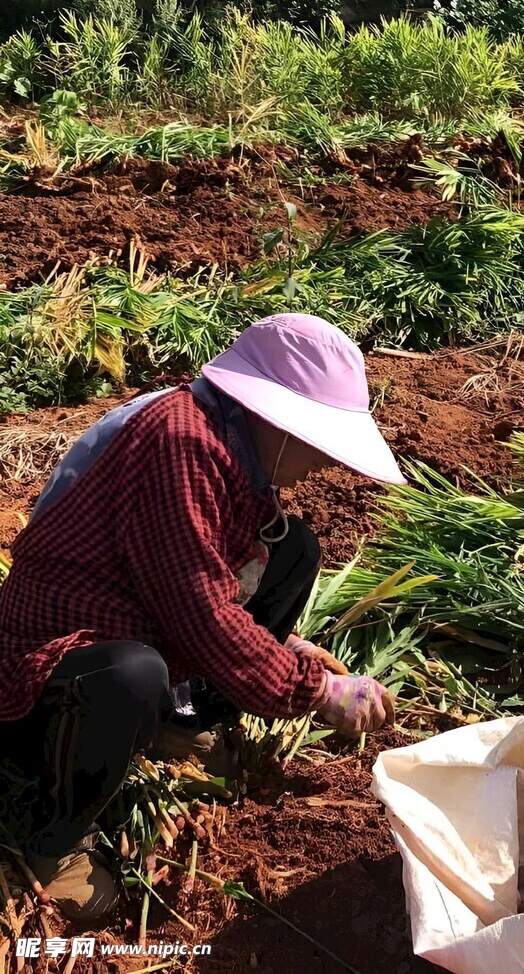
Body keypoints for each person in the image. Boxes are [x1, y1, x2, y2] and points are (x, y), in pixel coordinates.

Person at [0, 313, 403, 921]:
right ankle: (54, 842)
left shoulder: (226, 442)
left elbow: (209, 570)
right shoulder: (180, 441)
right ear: (275, 419)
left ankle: (177, 721)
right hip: (53, 666)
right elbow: (200, 611)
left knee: (293, 550)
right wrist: (315, 689)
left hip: (142, 617)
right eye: (320, 443)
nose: (325, 463)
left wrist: (284, 643)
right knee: (129, 674)